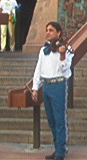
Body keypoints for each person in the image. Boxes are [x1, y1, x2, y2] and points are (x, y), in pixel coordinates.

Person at [32, 21, 74, 160]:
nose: (47, 32)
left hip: (58, 84)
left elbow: (66, 70)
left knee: (59, 119)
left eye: (51, 30)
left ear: (58, 33)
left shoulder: (66, 49)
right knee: (51, 120)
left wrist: (62, 56)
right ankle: (57, 148)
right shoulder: (43, 50)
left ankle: (61, 150)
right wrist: (35, 88)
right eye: (46, 30)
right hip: (46, 85)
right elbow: (38, 69)